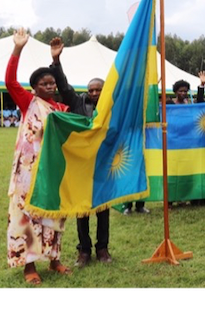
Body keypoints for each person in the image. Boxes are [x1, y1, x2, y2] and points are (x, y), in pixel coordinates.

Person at [4, 29, 72, 284]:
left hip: (53, 171)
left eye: (52, 83)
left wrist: (56, 61)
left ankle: (54, 259)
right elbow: (10, 82)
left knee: (54, 213)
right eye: (44, 84)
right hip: (28, 174)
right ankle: (29, 266)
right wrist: (18, 49)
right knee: (28, 215)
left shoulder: (61, 109)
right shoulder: (28, 103)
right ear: (34, 87)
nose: (50, 86)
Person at [53, 64, 113, 267]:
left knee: (103, 209)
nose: (94, 93)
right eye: (91, 90)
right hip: (81, 165)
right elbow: (64, 88)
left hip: (103, 163)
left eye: (98, 90)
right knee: (82, 210)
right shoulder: (78, 102)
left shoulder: (113, 105)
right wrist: (57, 62)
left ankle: (103, 249)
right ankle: (84, 250)